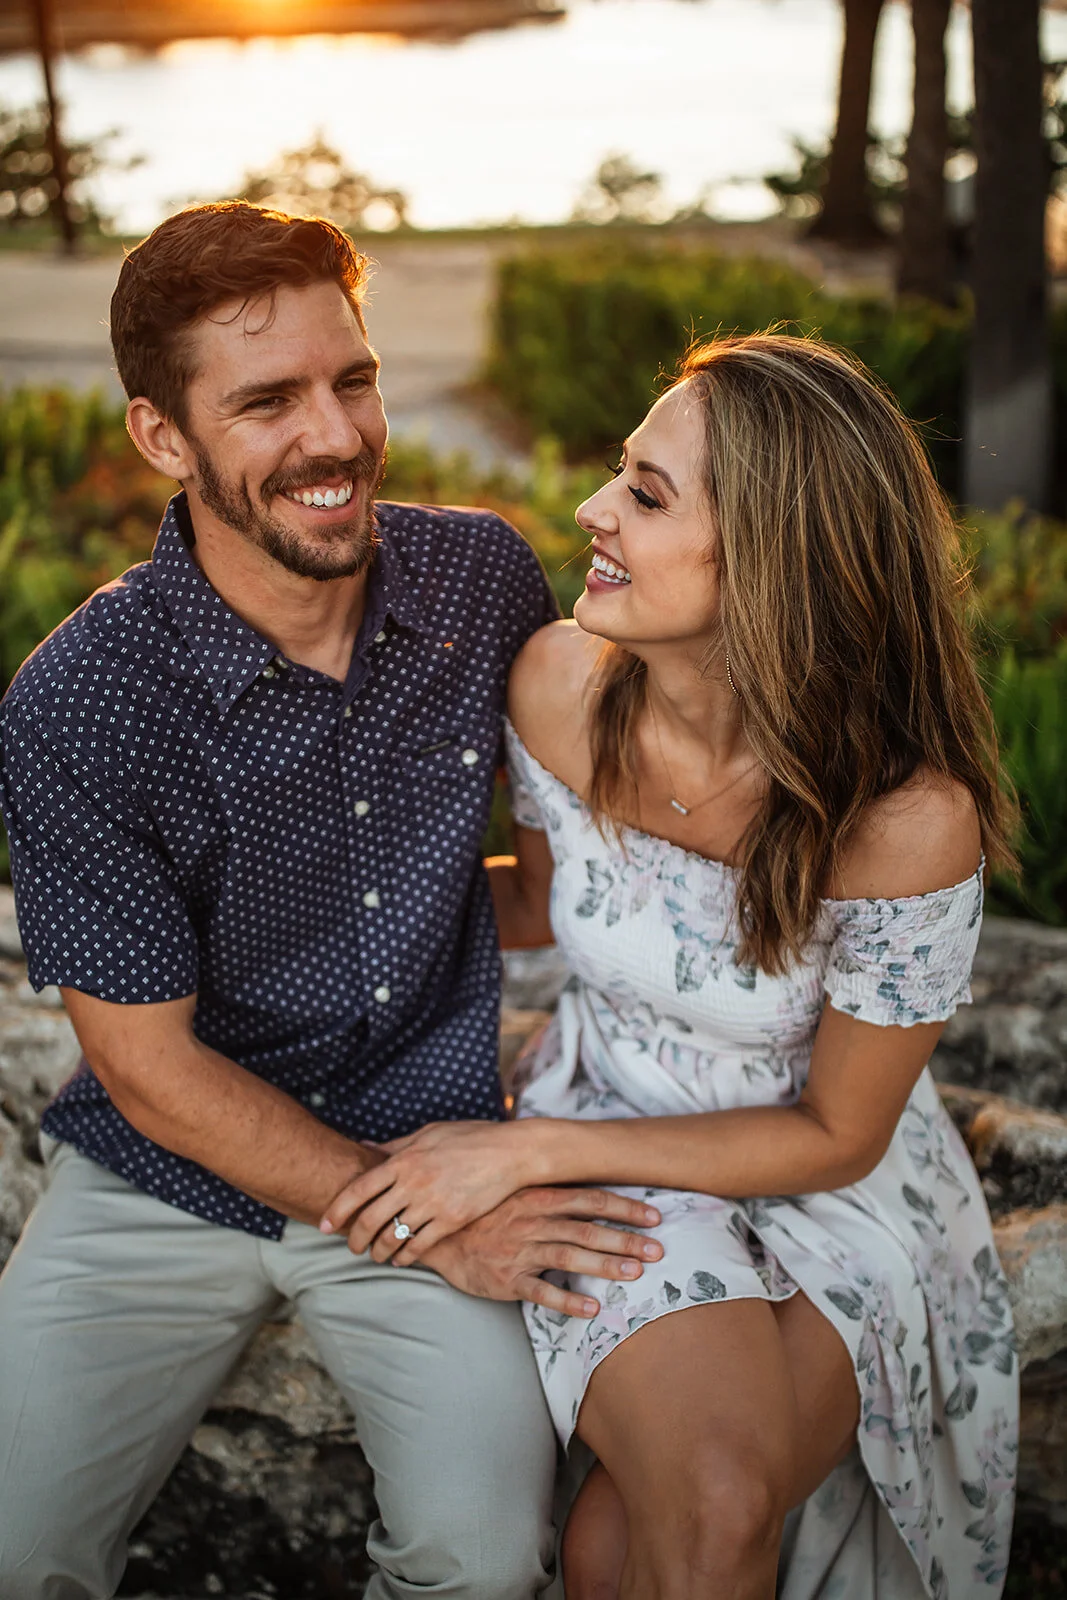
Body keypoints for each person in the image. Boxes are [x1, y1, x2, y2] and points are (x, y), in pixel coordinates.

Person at [0, 201, 666, 1600]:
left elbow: (550, 878)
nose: (334, 435)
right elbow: (149, 1066)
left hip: (439, 1139)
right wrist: (438, 1222)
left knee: (481, 1563)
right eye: (265, 401)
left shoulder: (482, 581)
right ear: (162, 440)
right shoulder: (78, 704)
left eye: (349, 378)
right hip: (162, 1176)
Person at [322, 333, 1021, 1600]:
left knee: (660, 1531)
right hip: (615, 1104)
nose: (591, 510)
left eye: (645, 495)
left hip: (821, 1168)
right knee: (701, 1508)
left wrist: (527, 1151)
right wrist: (292, 917)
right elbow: (535, 904)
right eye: (618, 474)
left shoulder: (905, 816)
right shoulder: (553, 687)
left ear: (774, 559)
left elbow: (834, 1130)